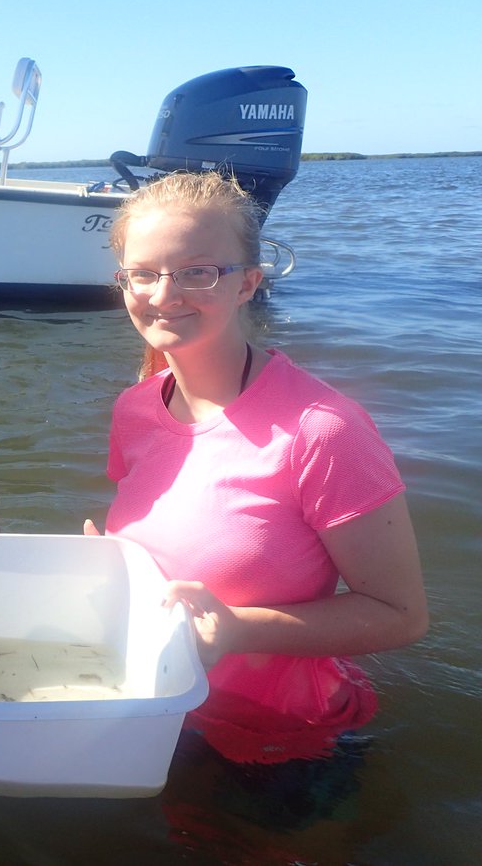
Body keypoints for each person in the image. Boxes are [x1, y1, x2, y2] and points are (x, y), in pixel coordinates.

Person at [96, 170, 427, 765]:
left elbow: (401, 617)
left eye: (198, 270)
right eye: (143, 273)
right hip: (160, 712)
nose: (164, 293)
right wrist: (109, 565)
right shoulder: (135, 408)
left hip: (285, 740)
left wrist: (240, 630)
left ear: (248, 282)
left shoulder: (323, 429)